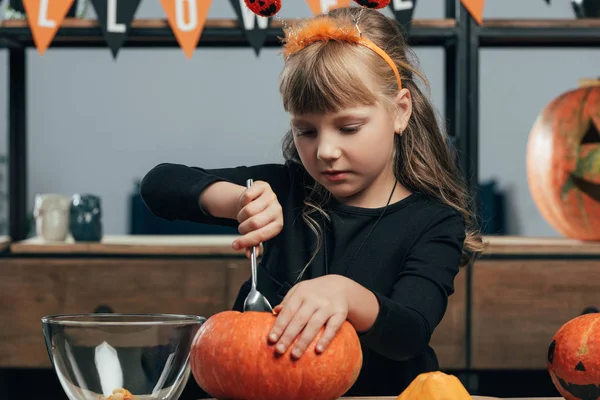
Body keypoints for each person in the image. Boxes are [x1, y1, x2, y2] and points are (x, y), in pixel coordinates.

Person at [140, 5, 484, 397]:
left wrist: (346, 295)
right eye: (306, 131)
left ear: (400, 111)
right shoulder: (286, 189)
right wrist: (239, 201)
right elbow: (159, 185)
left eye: (348, 128)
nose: (325, 150)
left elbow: (409, 332)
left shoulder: (434, 222)